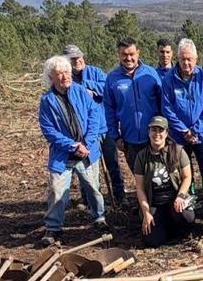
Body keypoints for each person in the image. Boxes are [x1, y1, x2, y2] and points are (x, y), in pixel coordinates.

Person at [39, 55, 106, 246]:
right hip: (63, 154)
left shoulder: (81, 92)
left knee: (93, 188)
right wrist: (73, 146)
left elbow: (94, 116)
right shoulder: (48, 101)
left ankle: (100, 219)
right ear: (51, 77)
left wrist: (87, 142)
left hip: (87, 151)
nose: (65, 77)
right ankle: (53, 228)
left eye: (67, 72)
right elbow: (48, 130)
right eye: (59, 74)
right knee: (57, 191)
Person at [160, 38, 203, 212]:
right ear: (178, 58)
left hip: (202, 136)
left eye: (189, 59)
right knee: (183, 172)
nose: (186, 62)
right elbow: (167, 107)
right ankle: (188, 204)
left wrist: (196, 129)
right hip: (179, 137)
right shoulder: (169, 79)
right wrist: (184, 129)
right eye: (183, 58)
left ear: (196, 58)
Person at [65, 44, 124, 202]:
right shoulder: (66, 78)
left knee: (113, 164)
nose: (77, 60)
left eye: (79, 57)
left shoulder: (95, 72)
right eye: (73, 58)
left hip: (105, 126)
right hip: (85, 131)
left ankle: (120, 195)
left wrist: (89, 88)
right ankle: (90, 199)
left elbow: (108, 88)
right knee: (88, 167)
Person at [132, 115, 194, 248]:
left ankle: (174, 227)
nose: (157, 134)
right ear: (149, 132)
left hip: (174, 200)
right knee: (152, 240)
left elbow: (187, 177)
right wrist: (146, 212)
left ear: (166, 133)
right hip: (155, 202)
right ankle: (163, 225)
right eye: (153, 130)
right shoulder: (141, 157)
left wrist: (181, 195)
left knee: (186, 216)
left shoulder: (178, 151)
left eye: (160, 130)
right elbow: (140, 188)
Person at [103, 38, 163, 170]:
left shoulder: (150, 74)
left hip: (154, 137)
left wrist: (164, 130)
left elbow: (162, 103)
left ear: (138, 53)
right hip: (129, 140)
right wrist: (115, 136)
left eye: (131, 54)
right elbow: (109, 109)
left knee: (159, 177)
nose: (128, 58)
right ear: (118, 54)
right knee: (139, 176)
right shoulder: (112, 78)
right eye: (124, 54)